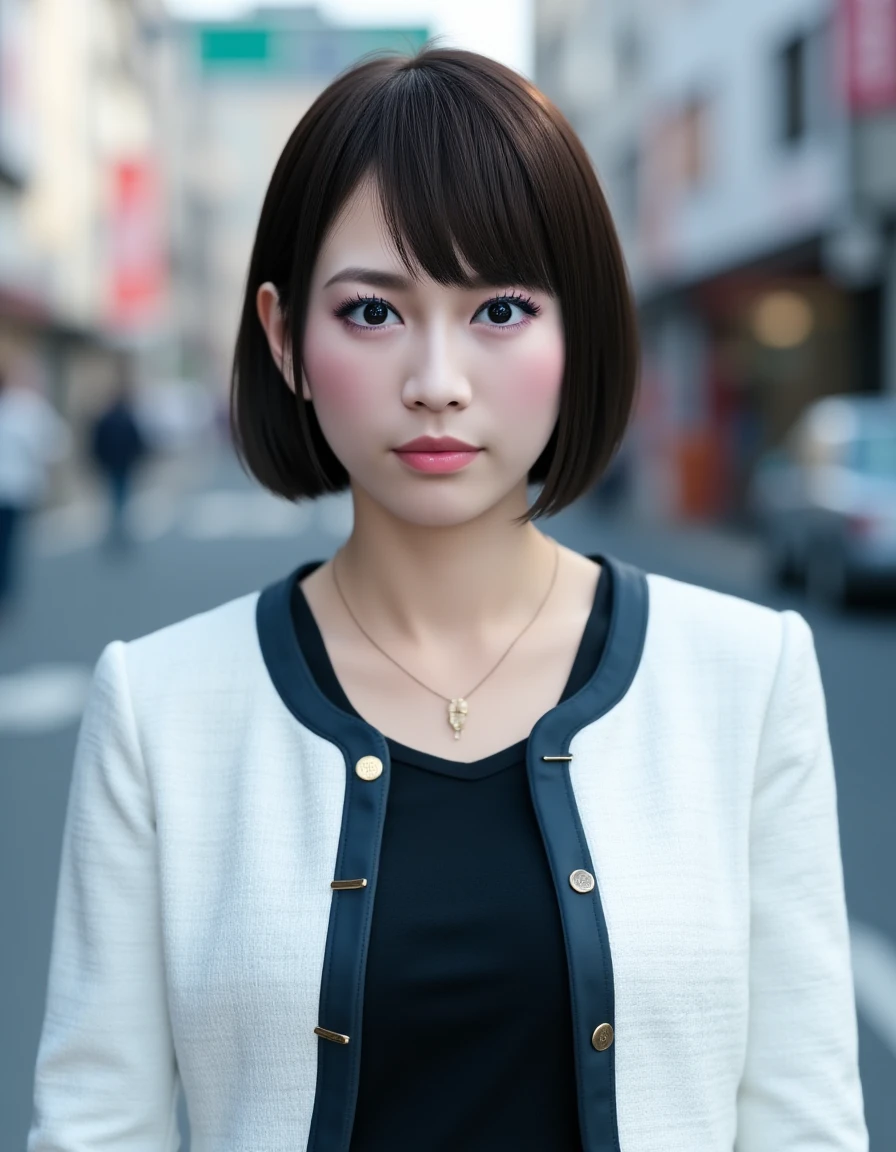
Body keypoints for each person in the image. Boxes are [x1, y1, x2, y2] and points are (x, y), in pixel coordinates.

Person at [28, 49, 867, 1152]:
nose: (436, 377)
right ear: (284, 338)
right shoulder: (159, 707)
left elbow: (804, 1123)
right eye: (373, 313)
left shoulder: (744, 676)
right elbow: (97, 1128)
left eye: (501, 308)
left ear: (580, 333)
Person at [0, 366, 71, 620]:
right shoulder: (27, 408)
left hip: (14, 487)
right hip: (17, 487)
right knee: (8, 541)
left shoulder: (24, 408)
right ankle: (6, 589)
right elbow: (56, 443)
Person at [89, 364, 149, 549]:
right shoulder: (127, 418)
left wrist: (98, 460)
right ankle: (119, 526)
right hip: (124, 463)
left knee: (115, 495)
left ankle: (116, 526)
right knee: (121, 495)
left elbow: (97, 442)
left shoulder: (105, 418)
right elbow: (137, 441)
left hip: (111, 463)